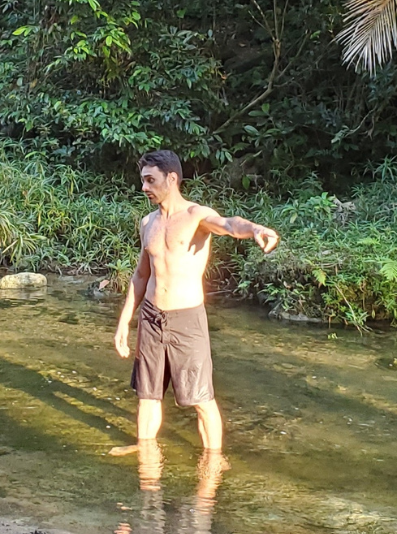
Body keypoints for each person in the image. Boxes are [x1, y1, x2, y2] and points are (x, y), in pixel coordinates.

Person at [112, 149, 279, 452]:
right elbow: (140, 276)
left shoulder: (196, 216)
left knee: (202, 399)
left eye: (150, 180)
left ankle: (213, 463)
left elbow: (229, 224)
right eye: (142, 181)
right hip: (150, 317)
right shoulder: (148, 222)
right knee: (148, 395)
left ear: (171, 178)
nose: (144, 187)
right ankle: (145, 459)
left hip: (186, 319)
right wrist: (124, 323)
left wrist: (254, 229)